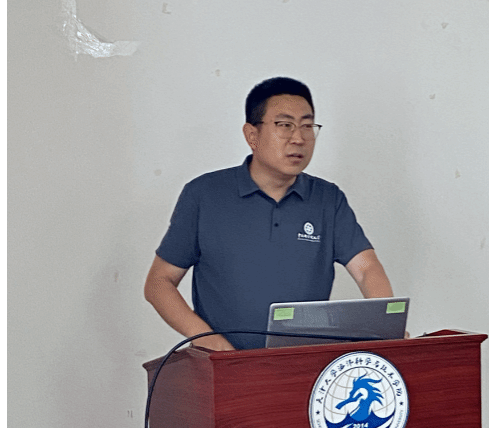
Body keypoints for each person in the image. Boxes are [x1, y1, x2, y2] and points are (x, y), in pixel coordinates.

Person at [144, 76, 396, 352]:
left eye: (307, 126)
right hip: (224, 365)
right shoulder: (205, 195)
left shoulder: (327, 199)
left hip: (302, 364)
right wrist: (207, 340)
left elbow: (366, 269)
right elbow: (159, 282)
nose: (298, 138)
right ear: (252, 135)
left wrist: (386, 328)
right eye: (285, 125)